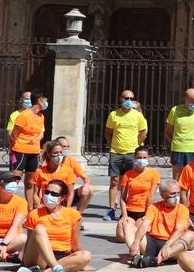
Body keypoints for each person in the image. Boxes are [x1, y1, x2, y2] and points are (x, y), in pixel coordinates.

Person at [15, 179, 93, 272]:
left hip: (62, 256)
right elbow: (30, 241)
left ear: (62, 198)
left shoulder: (73, 214)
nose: (48, 195)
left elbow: (75, 245)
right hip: (39, 257)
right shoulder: (34, 214)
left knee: (86, 255)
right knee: (39, 228)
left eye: (53, 194)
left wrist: (81, 262)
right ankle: (56, 269)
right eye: (46, 192)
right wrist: (22, 261)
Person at [127, 180, 194, 268]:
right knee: (127, 225)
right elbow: (145, 224)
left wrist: (167, 245)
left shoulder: (183, 209)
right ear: (163, 196)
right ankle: (135, 256)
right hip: (152, 241)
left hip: (171, 245)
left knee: (190, 235)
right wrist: (136, 242)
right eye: (173, 194)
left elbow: (179, 230)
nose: (176, 196)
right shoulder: (154, 207)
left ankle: (156, 260)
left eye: (178, 193)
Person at [104, 89, 147, 221]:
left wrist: (135, 145)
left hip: (131, 153)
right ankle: (111, 209)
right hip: (116, 152)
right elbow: (108, 132)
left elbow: (143, 133)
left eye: (131, 98)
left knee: (129, 182)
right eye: (126, 98)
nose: (128, 101)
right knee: (114, 181)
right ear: (120, 99)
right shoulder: (113, 115)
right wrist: (113, 144)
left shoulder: (138, 116)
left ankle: (125, 210)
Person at [114, 146, 160, 246]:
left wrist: (148, 215)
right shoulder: (128, 174)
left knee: (137, 233)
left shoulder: (154, 174)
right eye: (139, 157)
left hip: (144, 211)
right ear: (135, 158)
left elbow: (151, 196)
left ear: (148, 158)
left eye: (144, 158)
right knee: (120, 237)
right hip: (130, 210)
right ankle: (131, 229)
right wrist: (125, 215)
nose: (141, 160)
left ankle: (135, 246)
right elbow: (122, 197)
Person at [166, 88, 194, 181]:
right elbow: (168, 131)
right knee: (177, 179)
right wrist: (174, 143)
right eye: (192, 102)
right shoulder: (175, 110)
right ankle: (177, 195)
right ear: (185, 99)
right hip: (178, 149)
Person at [8, 91, 47, 199]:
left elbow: (40, 133)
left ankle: (29, 208)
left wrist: (34, 141)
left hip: (34, 152)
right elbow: (14, 134)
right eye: (45, 100)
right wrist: (22, 143)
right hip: (20, 151)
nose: (46, 103)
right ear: (39, 101)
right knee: (14, 181)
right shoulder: (23, 115)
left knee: (30, 183)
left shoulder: (41, 116)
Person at [53, 136, 94, 216]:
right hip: (52, 194)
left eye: (68, 146)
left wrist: (86, 185)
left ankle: (77, 216)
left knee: (90, 189)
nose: (66, 149)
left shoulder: (71, 161)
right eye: (64, 146)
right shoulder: (49, 161)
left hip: (68, 194)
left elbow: (86, 178)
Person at [31, 140, 76, 210]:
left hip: (62, 208)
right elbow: (35, 194)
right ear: (49, 154)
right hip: (44, 207)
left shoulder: (68, 170)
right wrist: (38, 206)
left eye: (61, 152)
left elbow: (70, 193)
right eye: (56, 153)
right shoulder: (39, 171)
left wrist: (67, 208)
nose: (59, 155)